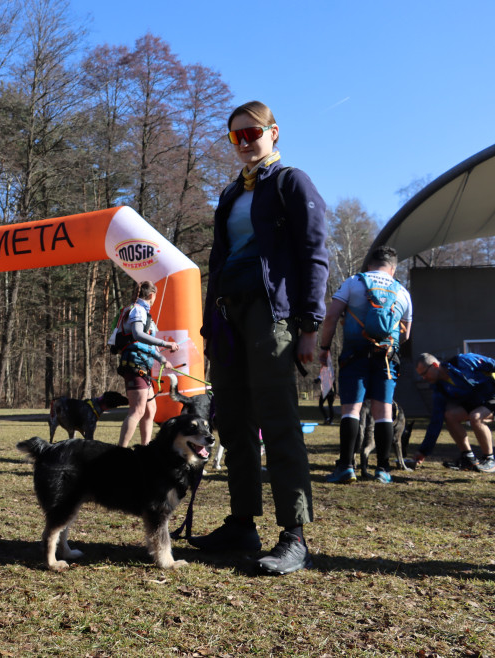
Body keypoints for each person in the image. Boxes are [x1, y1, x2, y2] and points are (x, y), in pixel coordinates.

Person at [190, 101, 329, 576]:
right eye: (237, 137)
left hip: (273, 316)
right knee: (232, 421)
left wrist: (310, 324)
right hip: (229, 318)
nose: (246, 142)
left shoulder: (292, 181)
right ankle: (241, 523)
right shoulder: (230, 194)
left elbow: (314, 252)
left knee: (278, 419)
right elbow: (219, 262)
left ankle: (294, 535)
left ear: (273, 132)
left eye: (252, 133)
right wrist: (210, 325)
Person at [319, 246, 412, 485]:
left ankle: (346, 467)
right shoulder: (402, 291)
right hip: (387, 360)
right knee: (384, 414)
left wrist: (324, 348)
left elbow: (331, 316)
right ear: (393, 267)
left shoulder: (353, 282)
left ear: (369, 264)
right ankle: (382, 469)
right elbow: (406, 334)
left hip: (354, 355)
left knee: (351, 411)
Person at [114, 281, 180, 448]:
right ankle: (119, 452)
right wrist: (165, 344)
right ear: (152, 295)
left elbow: (146, 343)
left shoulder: (140, 310)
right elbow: (137, 334)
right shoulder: (138, 310)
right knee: (137, 411)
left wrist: (161, 358)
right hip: (135, 364)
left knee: (150, 410)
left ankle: (146, 449)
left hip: (142, 364)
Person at [412, 352, 495, 473]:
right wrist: (423, 451)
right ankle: (468, 459)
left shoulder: (462, 361)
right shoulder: (439, 388)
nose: (423, 378)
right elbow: (436, 421)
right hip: (479, 403)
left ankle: (490, 461)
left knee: (475, 417)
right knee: (450, 416)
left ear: (434, 365)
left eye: (424, 373)